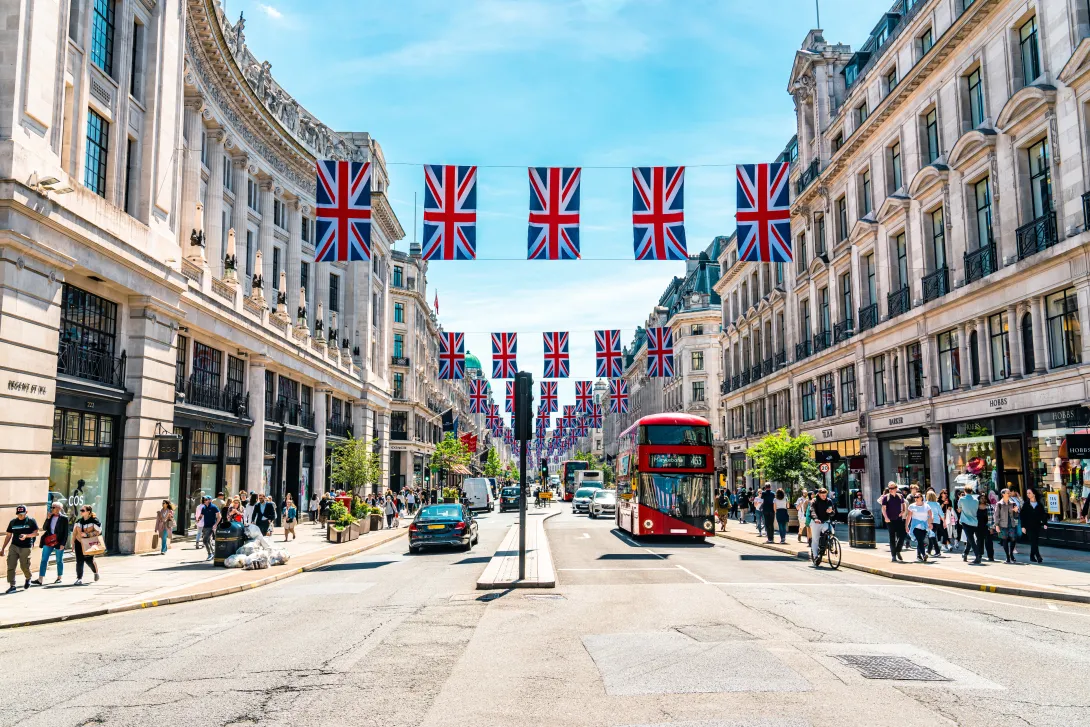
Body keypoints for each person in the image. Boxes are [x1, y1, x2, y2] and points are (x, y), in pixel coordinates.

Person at [2, 505, 38, 593]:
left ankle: (28, 577)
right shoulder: (13, 522)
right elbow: (8, 536)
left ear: (26, 512)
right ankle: (12, 585)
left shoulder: (31, 521)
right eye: (18, 514)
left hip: (26, 547)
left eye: (22, 514)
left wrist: (26, 536)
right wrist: (3, 548)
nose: (20, 516)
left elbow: (36, 533)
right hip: (14, 546)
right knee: (11, 565)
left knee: (24, 566)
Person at [32, 501, 69, 585]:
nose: (51, 509)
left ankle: (59, 577)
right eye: (51, 507)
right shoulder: (50, 516)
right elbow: (44, 528)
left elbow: (66, 533)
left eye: (53, 507)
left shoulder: (64, 518)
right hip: (49, 540)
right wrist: (48, 518)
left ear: (59, 508)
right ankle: (40, 578)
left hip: (59, 542)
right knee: (44, 559)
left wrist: (63, 544)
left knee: (59, 560)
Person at [72, 505, 101, 585]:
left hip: (89, 543)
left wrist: (87, 535)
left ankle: (95, 572)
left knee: (89, 560)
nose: (81, 512)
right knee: (79, 561)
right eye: (80, 510)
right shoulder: (78, 521)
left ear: (88, 512)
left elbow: (98, 532)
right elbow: (74, 533)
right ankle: (79, 578)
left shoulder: (94, 521)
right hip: (79, 543)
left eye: (83, 510)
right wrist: (73, 543)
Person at [879, 482, 907, 563]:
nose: (890, 490)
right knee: (892, 538)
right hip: (890, 520)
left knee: (902, 535)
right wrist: (886, 518)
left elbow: (903, 504)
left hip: (899, 519)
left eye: (892, 488)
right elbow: (883, 509)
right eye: (889, 488)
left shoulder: (900, 496)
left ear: (896, 488)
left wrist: (903, 511)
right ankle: (893, 556)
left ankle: (898, 550)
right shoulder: (886, 497)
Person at [994, 488, 1021, 563]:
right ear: (1003, 494)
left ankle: (1011, 554)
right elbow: (996, 515)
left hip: (1011, 524)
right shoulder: (999, 504)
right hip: (1003, 525)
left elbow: (1016, 515)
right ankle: (1007, 556)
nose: (1009, 494)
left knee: (1013, 539)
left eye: (1009, 493)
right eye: (1007, 493)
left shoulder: (1013, 503)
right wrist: (996, 525)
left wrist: (1016, 511)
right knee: (1005, 540)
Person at [809, 488, 835, 564]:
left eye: (825, 495)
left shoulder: (829, 501)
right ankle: (816, 556)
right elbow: (812, 510)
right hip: (816, 522)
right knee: (815, 539)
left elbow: (833, 512)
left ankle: (829, 544)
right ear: (819, 494)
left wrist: (831, 512)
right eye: (822, 495)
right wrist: (816, 519)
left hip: (825, 521)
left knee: (831, 531)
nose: (824, 497)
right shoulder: (814, 501)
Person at [958, 483, 982, 564]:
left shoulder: (961, 499)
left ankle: (977, 555)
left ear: (964, 491)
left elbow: (959, 509)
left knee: (971, 539)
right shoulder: (976, 501)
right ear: (971, 492)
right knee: (970, 538)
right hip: (974, 522)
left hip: (965, 521)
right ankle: (965, 553)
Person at [1021, 488, 1047, 563]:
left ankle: (1032, 556)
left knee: (1035, 541)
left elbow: (1043, 514)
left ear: (1034, 494)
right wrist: (1023, 526)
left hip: (1037, 525)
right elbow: (1023, 516)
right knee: (1033, 541)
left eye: (1029, 493)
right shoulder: (1026, 504)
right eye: (1027, 493)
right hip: (1028, 526)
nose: (1028, 494)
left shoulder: (1039, 504)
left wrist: (1045, 523)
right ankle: (1038, 556)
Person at [906, 492, 933, 562]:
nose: (916, 498)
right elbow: (908, 516)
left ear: (921, 498)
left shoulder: (927, 506)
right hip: (915, 526)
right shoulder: (912, 506)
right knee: (920, 540)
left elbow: (930, 515)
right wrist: (906, 526)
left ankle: (918, 555)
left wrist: (930, 523)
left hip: (924, 526)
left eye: (917, 497)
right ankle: (924, 554)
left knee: (921, 541)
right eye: (915, 497)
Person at [198, 496, 219, 560]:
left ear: (210, 500)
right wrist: (198, 520)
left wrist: (215, 525)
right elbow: (201, 515)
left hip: (211, 526)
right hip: (205, 526)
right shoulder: (204, 508)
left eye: (206, 500)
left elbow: (219, 516)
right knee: (208, 541)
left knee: (205, 540)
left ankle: (210, 554)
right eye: (204, 500)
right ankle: (213, 553)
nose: (204, 501)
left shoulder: (214, 507)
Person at [925, 491, 944, 557]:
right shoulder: (937, 504)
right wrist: (944, 521)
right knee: (931, 535)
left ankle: (937, 551)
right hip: (937, 522)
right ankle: (929, 551)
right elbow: (941, 513)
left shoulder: (926, 503)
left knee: (932, 536)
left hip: (929, 521)